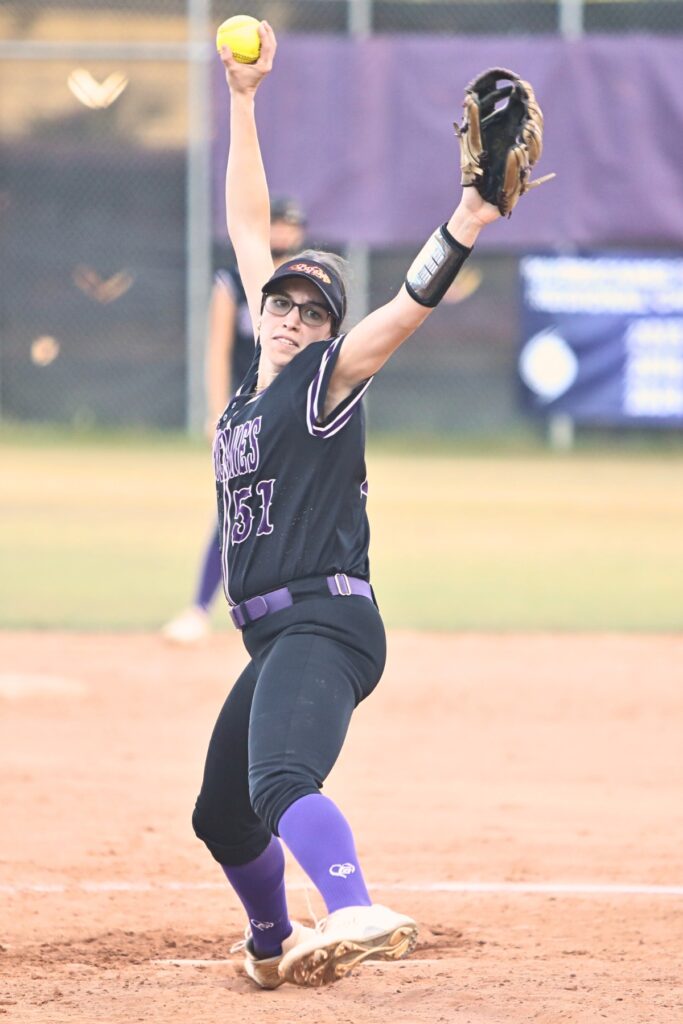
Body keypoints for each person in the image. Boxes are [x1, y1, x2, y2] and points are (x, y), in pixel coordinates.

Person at [191, 21, 501, 989]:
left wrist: (467, 218)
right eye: (280, 302)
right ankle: (272, 941)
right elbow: (248, 229)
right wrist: (243, 105)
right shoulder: (259, 375)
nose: (288, 314)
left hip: (325, 621)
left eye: (310, 308)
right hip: (276, 635)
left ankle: (352, 905)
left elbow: (403, 310)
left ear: (328, 330)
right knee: (221, 813)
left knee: (281, 781)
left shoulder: (323, 379)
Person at [162, 198, 307, 645]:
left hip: (294, 412)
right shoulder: (233, 279)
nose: (284, 232)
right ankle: (199, 608)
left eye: (291, 226)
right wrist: (217, 411)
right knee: (236, 508)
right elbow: (219, 349)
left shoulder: (308, 282)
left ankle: (295, 607)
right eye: (277, 224)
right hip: (249, 408)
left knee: (301, 506)